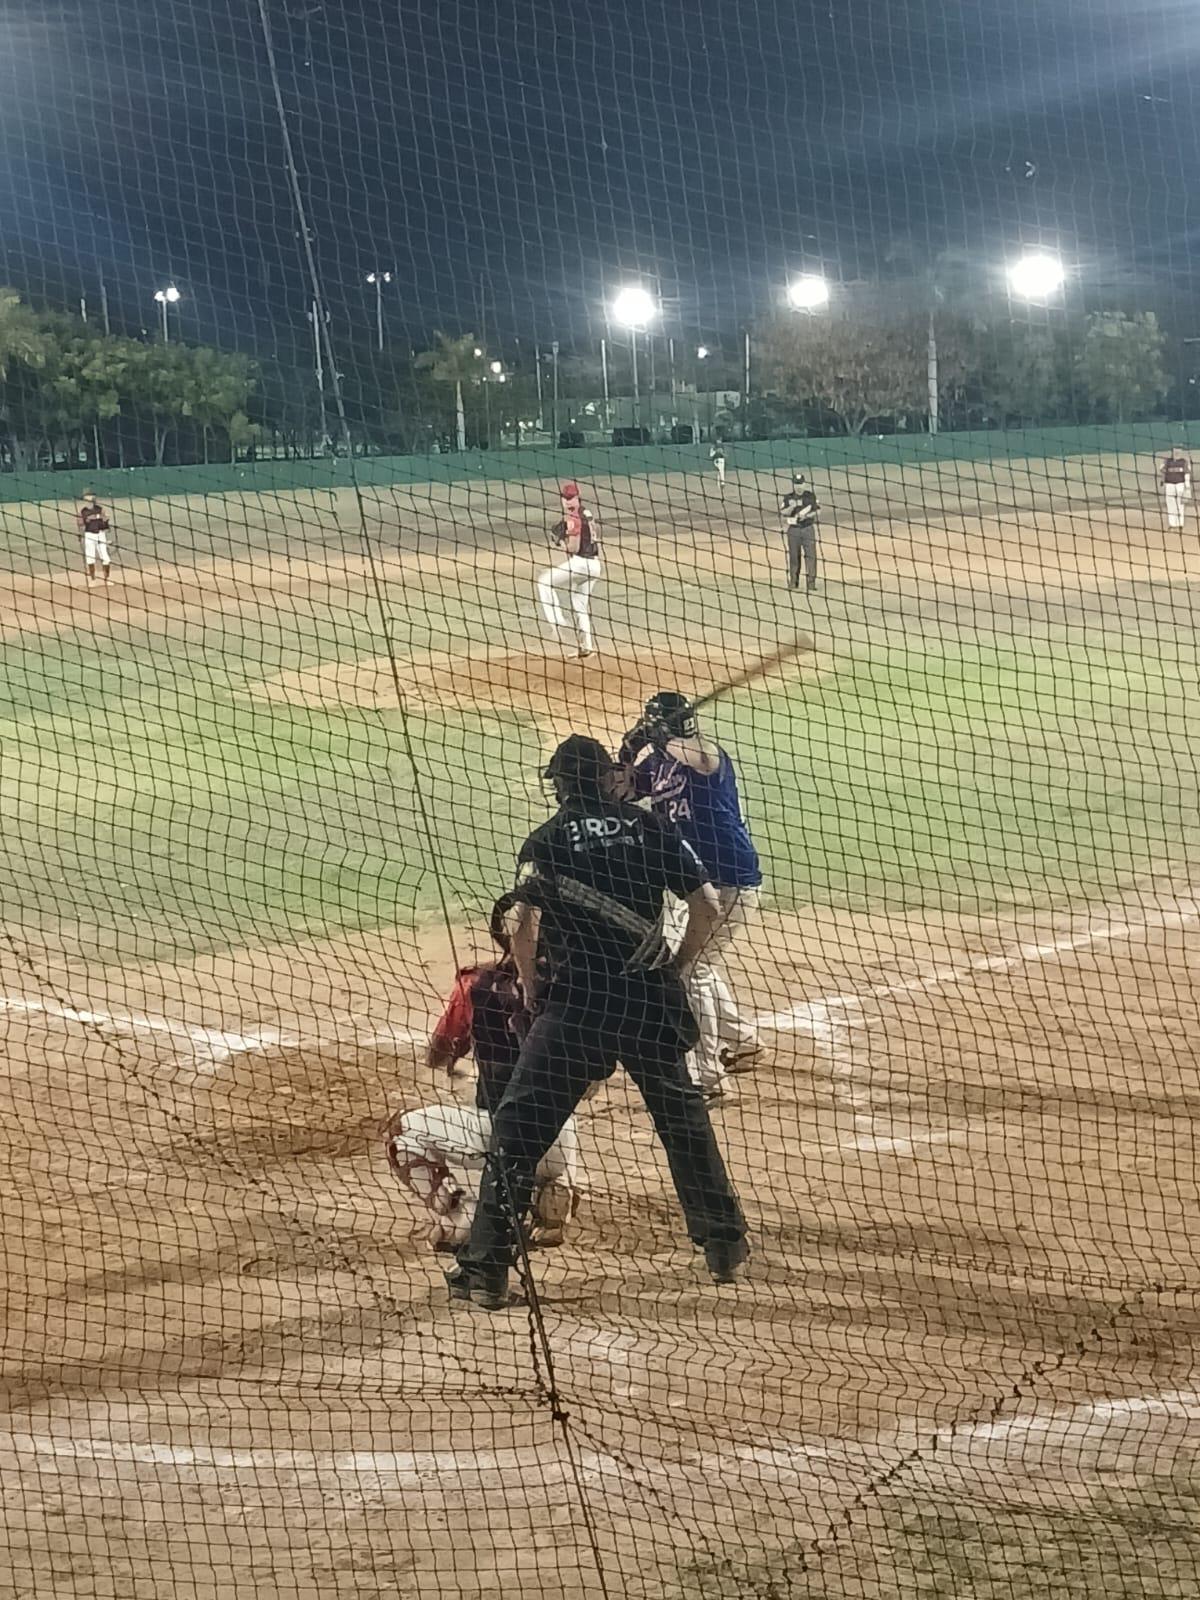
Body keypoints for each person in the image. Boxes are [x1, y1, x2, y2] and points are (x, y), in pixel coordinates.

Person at [448, 735, 748, 1309]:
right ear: (607, 778)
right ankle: (723, 1245)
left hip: (577, 1007)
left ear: (558, 784)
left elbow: (523, 927)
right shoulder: (649, 828)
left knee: (517, 1131)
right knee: (682, 1121)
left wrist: (535, 993)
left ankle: (486, 1270)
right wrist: (676, 968)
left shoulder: (546, 841)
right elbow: (707, 905)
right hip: (646, 1002)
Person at [385, 922, 579, 1252]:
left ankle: (462, 1217)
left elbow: (438, 1052)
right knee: (557, 1109)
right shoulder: (574, 989)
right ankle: (557, 1191)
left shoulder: (475, 983)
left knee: (399, 1131)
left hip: (503, 1133)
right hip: (560, 1133)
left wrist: (465, 1059)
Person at [622, 691, 763, 1100]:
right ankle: (742, 1039)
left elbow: (697, 758)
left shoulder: (707, 753)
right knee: (696, 963)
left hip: (729, 880)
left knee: (689, 971)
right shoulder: (659, 763)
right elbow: (622, 791)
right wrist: (628, 752)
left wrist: (658, 738)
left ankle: (708, 1076)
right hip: (695, 887)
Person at [536, 481, 602, 659]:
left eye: (571, 498)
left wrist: (561, 540)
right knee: (579, 604)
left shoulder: (573, 517)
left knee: (544, 582)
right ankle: (586, 647)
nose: (568, 502)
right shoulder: (587, 512)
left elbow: (573, 548)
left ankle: (557, 623)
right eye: (565, 498)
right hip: (595, 565)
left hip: (581, 564)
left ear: (577, 497)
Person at [780, 473, 819, 593]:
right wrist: (792, 507)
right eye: (796, 484)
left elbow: (817, 510)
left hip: (808, 528)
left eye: (801, 484)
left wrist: (806, 516)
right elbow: (783, 512)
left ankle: (811, 584)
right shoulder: (788, 497)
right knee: (794, 557)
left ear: (804, 484)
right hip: (793, 530)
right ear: (793, 485)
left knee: (811, 556)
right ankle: (793, 583)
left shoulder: (810, 496)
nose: (799, 486)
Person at [77, 491, 113, 586]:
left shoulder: (100, 509)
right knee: (90, 558)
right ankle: (93, 580)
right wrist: (81, 533)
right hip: (89, 535)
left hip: (100, 535)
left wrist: (105, 522)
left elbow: (105, 520)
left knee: (105, 558)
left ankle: (107, 579)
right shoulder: (83, 511)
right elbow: (80, 523)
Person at [1161, 444, 1192, 531]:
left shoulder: (1184, 462)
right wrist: (1163, 482)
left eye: (1179, 451)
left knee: (1180, 505)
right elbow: (1162, 471)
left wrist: (1187, 487)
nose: (1177, 452)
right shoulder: (1167, 461)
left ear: (1181, 452)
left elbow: (1187, 474)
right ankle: (1172, 524)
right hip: (1169, 485)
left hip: (1180, 485)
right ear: (1172, 451)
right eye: (1175, 451)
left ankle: (1180, 524)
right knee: (1170, 505)